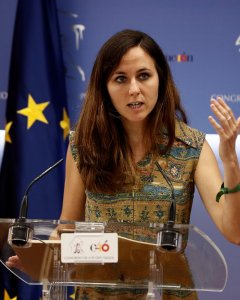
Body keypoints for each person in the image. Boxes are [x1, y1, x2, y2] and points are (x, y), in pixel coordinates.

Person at [8, 29, 240, 299]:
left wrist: (231, 164)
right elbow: (68, 227)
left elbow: (234, 231)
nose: (134, 90)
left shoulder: (192, 147)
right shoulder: (84, 146)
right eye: (120, 78)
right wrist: (43, 261)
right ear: (104, 88)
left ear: (161, 80)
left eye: (144, 76)